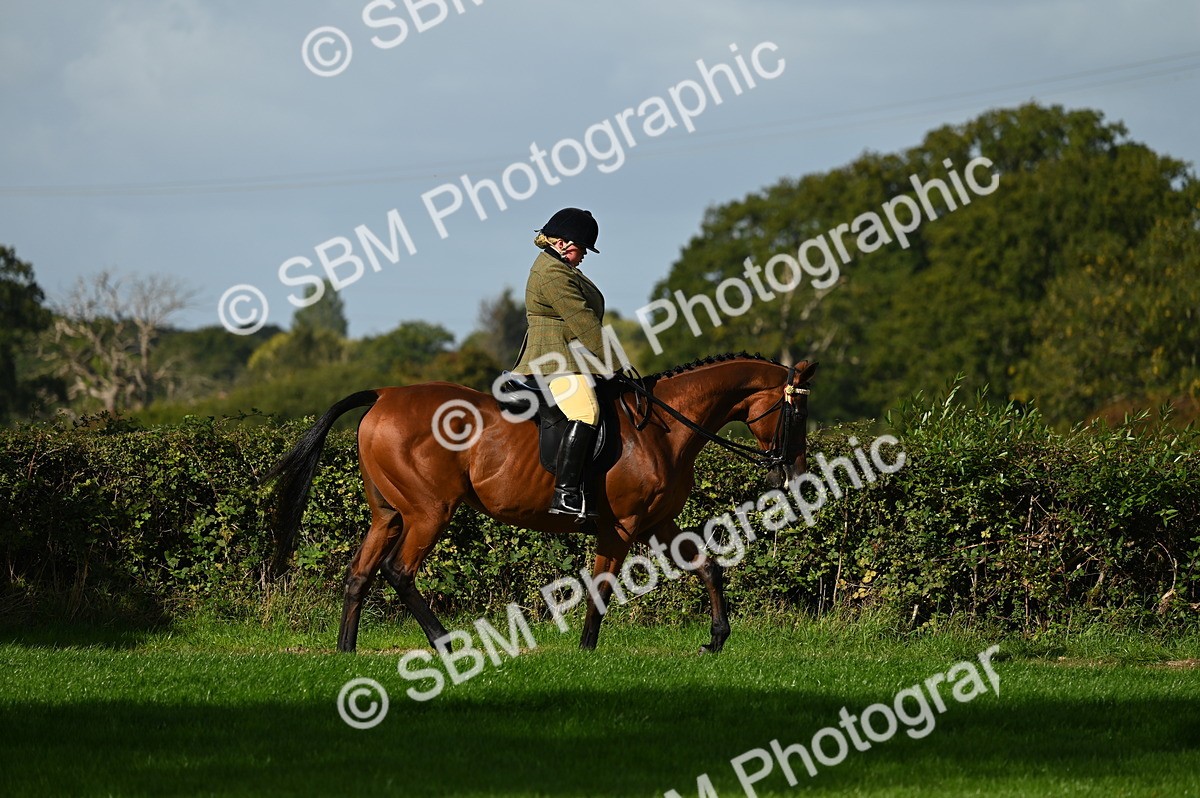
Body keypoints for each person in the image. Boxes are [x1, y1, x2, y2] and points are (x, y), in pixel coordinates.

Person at [512, 207, 606, 518]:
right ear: (564, 243)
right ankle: (565, 495)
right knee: (586, 411)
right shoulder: (552, 273)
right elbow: (583, 321)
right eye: (582, 249)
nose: (584, 256)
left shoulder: (561, 268)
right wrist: (616, 362)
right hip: (555, 360)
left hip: (570, 356)